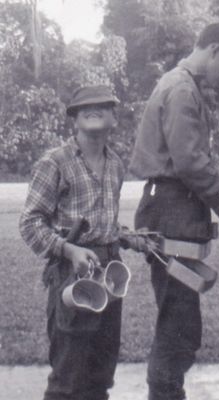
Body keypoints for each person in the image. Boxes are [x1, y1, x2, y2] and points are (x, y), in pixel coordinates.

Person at [129, 23, 219, 400]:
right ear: (214, 50)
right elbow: (191, 164)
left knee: (180, 324)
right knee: (178, 328)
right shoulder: (181, 90)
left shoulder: (183, 85)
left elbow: (194, 162)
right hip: (171, 212)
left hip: (175, 211)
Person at [19, 85, 125, 400]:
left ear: (114, 118)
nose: (93, 110)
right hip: (70, 271)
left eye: (103, 105)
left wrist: (129, 237)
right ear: (73, 119)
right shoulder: (55, 162)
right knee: (68, 377)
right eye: (84, 107)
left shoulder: (116, 164)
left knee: (101, 374)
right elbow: (29, 222)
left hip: (110, 271)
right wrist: (68, 249)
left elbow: (106, 224)